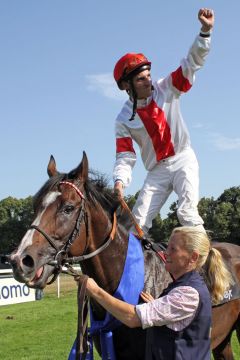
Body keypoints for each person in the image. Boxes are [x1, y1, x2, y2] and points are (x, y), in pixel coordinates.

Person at [113, 8, 215, 234]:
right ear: (126, 86)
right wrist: (120, 182)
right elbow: (125, 156)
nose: (148, 82)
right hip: (157, 170)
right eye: (141, 79)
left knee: (186, 213)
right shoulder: (123, 120)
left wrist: (205, 33)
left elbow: (191, 65)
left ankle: (207, 267)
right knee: (136, 224)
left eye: (149, 75)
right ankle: (137, 269)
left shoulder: (166, 87)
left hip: (182, 159)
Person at [85, 227, 233, 360]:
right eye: (167, 247)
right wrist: (156, 306)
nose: (165, 253)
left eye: (173, 249)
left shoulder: (188, 294)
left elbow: (132, 318)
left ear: (193, 257)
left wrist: (95, 290)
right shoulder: (183, 286)